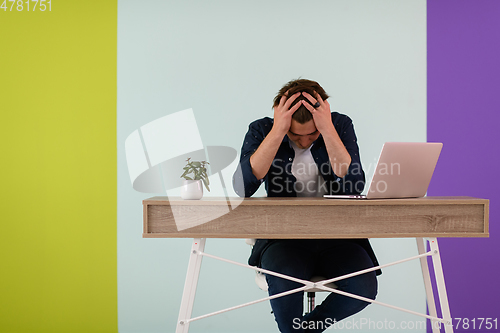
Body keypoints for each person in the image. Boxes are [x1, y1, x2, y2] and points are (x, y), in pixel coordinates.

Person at [233, 79, 381, 333]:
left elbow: (353, 185)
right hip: (283, 239)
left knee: (363, 288)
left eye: (312, 134)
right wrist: (278, 131)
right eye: (295, 135)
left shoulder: (339, 126)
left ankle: (305, 330)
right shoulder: (262, 130)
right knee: (285, 288)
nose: (304, 141)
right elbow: (243, 187)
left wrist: (328, 130)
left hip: (338, 237)